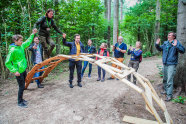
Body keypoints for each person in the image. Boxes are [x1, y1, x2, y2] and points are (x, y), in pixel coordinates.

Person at [5, 29, 37, 108]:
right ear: (15, 41)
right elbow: (7, 62)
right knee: (21, 86)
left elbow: (28, 41)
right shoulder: (12, 50)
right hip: (18, 71)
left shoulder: (21, 46)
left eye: (22, 40)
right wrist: (14, 71)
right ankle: (19, 102)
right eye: (20, 40)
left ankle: (22, 99)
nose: (21, 42)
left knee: (23, 85)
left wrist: (33, 34)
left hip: (23, 69)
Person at [155, 31, 185, 101]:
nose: (168, 36)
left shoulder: (176, 43)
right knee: (165, 79)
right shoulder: (165, 43)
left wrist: (176, 46)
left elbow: (183, 51)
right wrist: (156, 44)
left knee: (169, 80)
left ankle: (169, 95)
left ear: (173, 37)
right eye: (168, 35)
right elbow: (160, 49)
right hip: (165, 63)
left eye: (170, 35)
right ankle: (165, 90)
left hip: (172, 64)